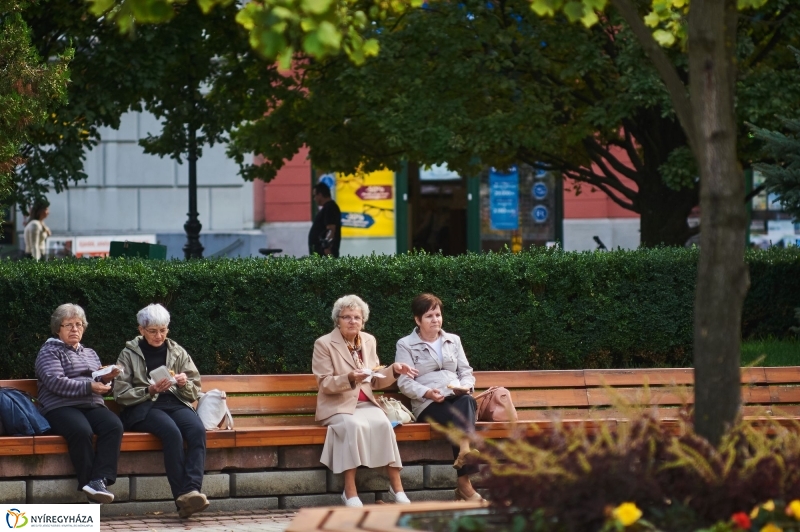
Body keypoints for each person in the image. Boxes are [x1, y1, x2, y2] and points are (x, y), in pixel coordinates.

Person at [313, 294, 420, 507]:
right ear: (338, 320)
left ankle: (397, 487)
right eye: (347, 317)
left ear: (363, 320)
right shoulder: (324, 344)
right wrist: (350, 378)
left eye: (357, 318)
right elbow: (324, 383)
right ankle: (350, 491)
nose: (353, 321)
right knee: (353, 426)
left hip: (366, 404)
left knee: (383, 424)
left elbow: (376, 381)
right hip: (338, 406)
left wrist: (394, 370)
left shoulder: (368, 340)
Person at [113, 304, 209, 518]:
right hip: (144, 407)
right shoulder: (128, 354)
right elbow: (119, 393)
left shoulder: (177, 351)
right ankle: (183, 497)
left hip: (175, 403)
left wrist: (184, 384)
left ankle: (192, 490)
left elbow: (195, 389)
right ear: (141, 330)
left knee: (196, 430)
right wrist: (149, 390)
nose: (159, 336)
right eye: (153, 331)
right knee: (172, 433)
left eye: (163, 330)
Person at [395, 293, 483, 502]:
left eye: (438, 314)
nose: (435, 319)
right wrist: (427, 393)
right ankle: (464, 479)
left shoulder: (453, 340)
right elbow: (404, 382)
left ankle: (464, 454)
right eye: (429, 316)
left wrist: (466, 386)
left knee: (468, 400)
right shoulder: (405, 344)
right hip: (428, 404)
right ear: (417, 320)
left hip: (457, 397)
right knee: (461, 413)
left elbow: (466, 371)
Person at [35, 303, 123, 504]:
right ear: (58, 328)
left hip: (90, 404)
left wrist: (107, 378)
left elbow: (96, 380)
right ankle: (90, 484)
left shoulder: (90, 353)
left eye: (79, 324)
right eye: (69, 325)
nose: (75, 329)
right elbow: (56, 382)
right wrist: (90, 387)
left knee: (114, 425)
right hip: (60, 406)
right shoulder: (49, 352)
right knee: (81, 430)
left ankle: (98, 481)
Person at [308, 183, 342, 257]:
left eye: (315, 196)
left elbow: (331, 230)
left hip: (324, 254)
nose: (314, 199)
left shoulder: (330, 208)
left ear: (320, 195)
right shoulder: (327, 207)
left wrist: (327, 248)